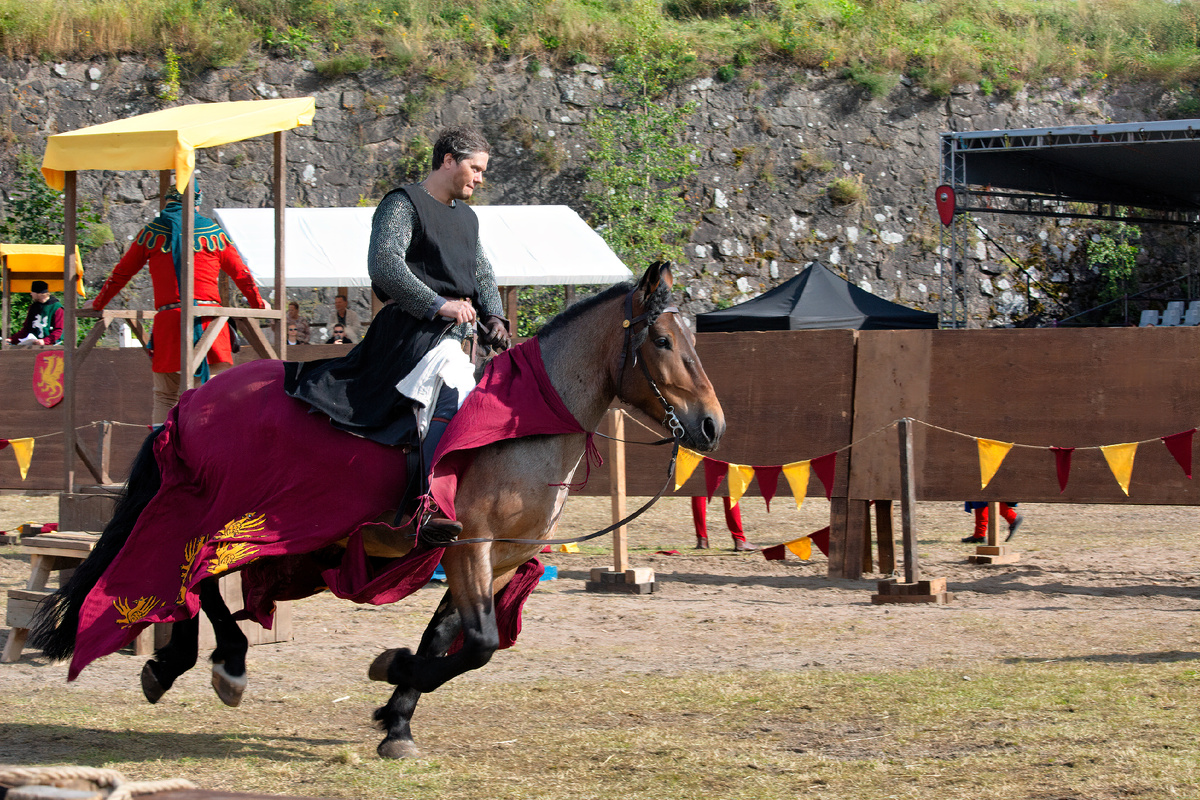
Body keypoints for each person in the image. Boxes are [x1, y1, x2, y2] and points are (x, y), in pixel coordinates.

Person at [285, 126, 511, 535]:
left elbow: (481, 271)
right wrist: (439, 305)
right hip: (409, 335)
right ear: (448, 161)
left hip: (454, 338)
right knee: (455, 385)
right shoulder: (402, 204)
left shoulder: (469, 218)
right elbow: (385, 265)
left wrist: (494, 315)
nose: (480, 178)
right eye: (474, 168)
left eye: (482, 170)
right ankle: (426, 502)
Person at [91, 183, 266, 424]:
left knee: (164, 396)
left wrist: (98, 303)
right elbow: (242, 274)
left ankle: (159, 455)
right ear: (196, 202)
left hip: (168, 327)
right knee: (210, 394)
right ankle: (205, 454)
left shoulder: (152, 232)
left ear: (167, 201)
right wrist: (258, 304)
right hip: (208, 324)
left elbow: (121, 274)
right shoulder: (213, 233)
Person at [9, 280, 63, 346]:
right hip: (34, 345)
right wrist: (12, 340)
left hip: (52, 346)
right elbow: (26, 329)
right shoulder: (34, 307)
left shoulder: (57, 308)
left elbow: (59, 330)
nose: (31, 294)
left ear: (39, 294)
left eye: (32, 292)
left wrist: (45, 341)